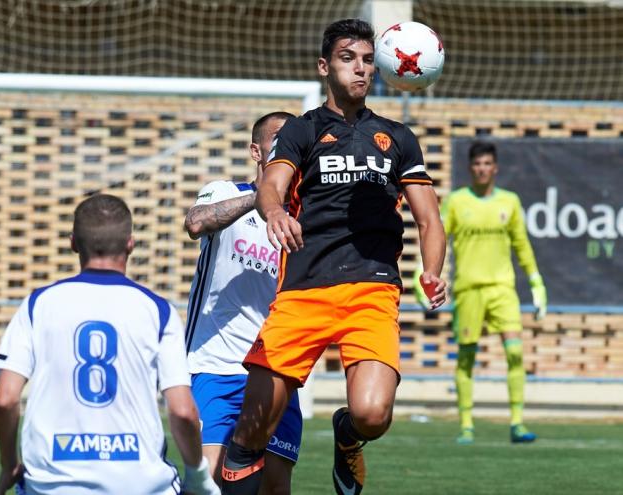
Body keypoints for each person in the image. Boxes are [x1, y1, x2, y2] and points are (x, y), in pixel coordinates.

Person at [220, 19, 447, 495]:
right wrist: (276, 212)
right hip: (304, 289)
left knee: (372, 414)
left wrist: (431, 270)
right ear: (325, 67)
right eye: (348, 58)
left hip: (372, 288)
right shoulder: (302, 131)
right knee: (252, 433)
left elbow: (428, 218)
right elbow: (271, 187)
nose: (360, 68)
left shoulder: (398, 137)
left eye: (367, 59)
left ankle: (348, 437)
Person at [0, 194, 219, 495]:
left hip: (51, 483)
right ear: (130, 244)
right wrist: (198, 477)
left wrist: (9, 464)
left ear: (73, 243)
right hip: (138, 484)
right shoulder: (157, 310)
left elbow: (5, 399)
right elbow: (183, 411)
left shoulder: (38, 304)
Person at [184, 112, 303, 494]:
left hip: (275, 368)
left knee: (274, 485)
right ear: (257, 150)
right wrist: (263, 197)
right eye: (279, 140)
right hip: (215, 366)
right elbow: (196, 223)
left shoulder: (303, 217)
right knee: (207, 480)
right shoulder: (223, 191)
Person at [415, 141, 547, 444]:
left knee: (515, 352)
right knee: (466, 358)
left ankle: (517, 423)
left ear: (495, 167)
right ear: (471, 168)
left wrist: (537, 282)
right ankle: (466, 425)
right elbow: (437, 236)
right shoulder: (458, 202)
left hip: (503, 289)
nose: (482, 168)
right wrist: (421, 275)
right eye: (477, 164)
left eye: (487, 163)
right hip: (469, 289)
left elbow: (522, 245)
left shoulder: (510, 202)